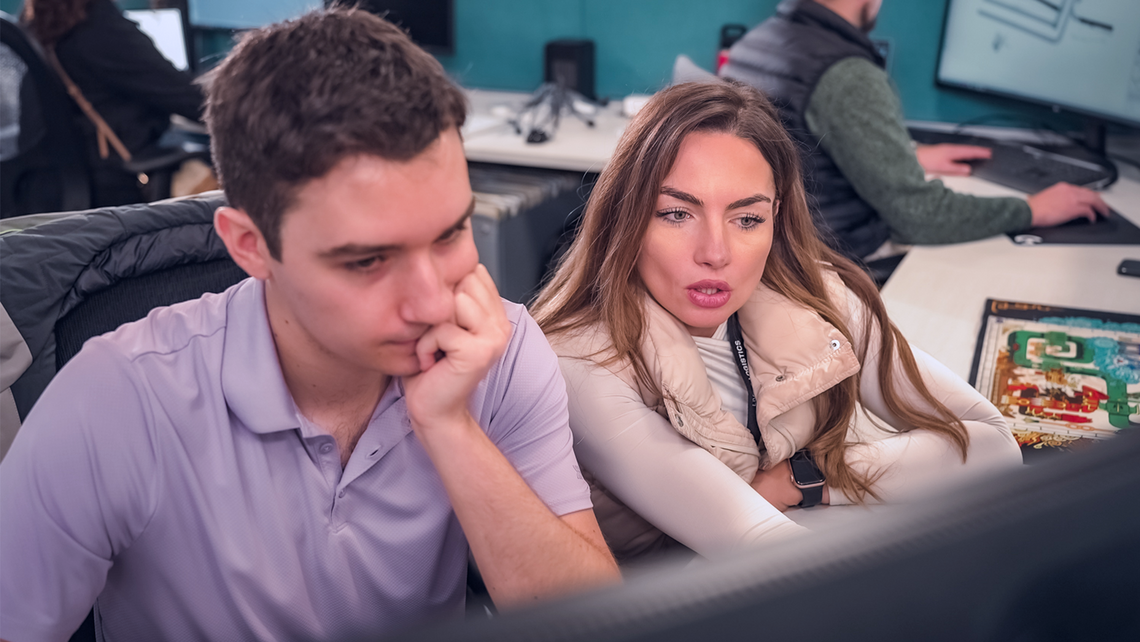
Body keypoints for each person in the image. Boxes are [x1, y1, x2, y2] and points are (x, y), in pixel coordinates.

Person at [0, 8, 619, 642]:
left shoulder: (499, 349)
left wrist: (449, 425)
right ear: (249, 246)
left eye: (450, 233)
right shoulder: (115, 400)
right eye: (368, 261)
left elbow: (600, 629)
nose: (433, 303)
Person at [530, 80, 1023, 565]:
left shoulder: (814, 296)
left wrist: (799, 479)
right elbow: (759, 545)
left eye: (746, 219)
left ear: (776, 218)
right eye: (677, 214)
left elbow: (993, 445)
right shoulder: (580, 362)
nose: (715, 254)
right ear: (627, 215)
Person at [719, 0, 1109, 263]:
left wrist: (901, 156)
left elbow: (797, 153)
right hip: (837, 265)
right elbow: (920, 216)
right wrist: (1032, 210)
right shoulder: (846, 74)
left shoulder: (755, 44)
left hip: (784, 251)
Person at [19, 0, 205, 206]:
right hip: (116, 185)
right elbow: (181, 94)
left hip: (51, 190)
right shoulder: (96, 26)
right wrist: (235, 103)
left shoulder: (32, 22)